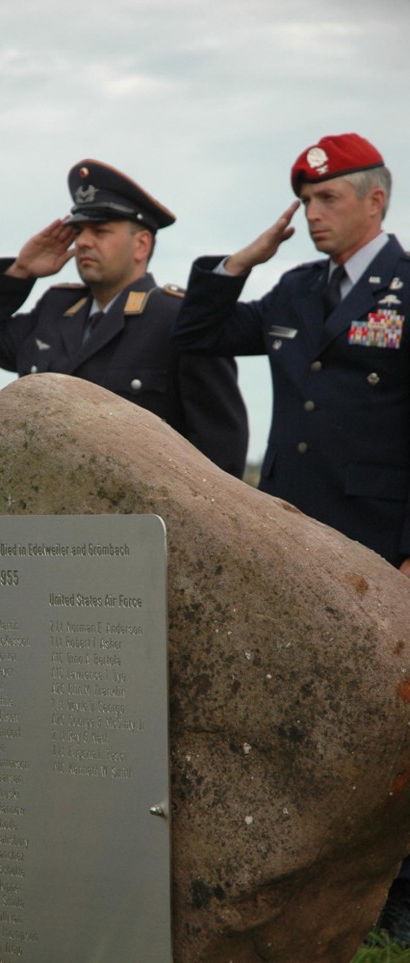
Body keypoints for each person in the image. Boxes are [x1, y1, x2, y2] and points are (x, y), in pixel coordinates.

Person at [173, 132, 410, 940]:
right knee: (303, 709)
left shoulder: (407, 291)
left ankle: (396, 900)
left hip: (381, 539)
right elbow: (197, 334)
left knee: (392, 721)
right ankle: (309, 886)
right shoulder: (297, 290)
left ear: (376, 200)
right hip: (294, 536)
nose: (312, 214)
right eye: (305, 202)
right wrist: (243, 259)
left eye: (328, 199)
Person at [0, 159, 249, 478]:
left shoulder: (180, 320)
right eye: (79, 231)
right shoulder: (55, 309)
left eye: (100, 231)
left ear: (141, 244)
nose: (82, 241)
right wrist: (20, 272)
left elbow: (221, 454)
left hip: (137, 523)